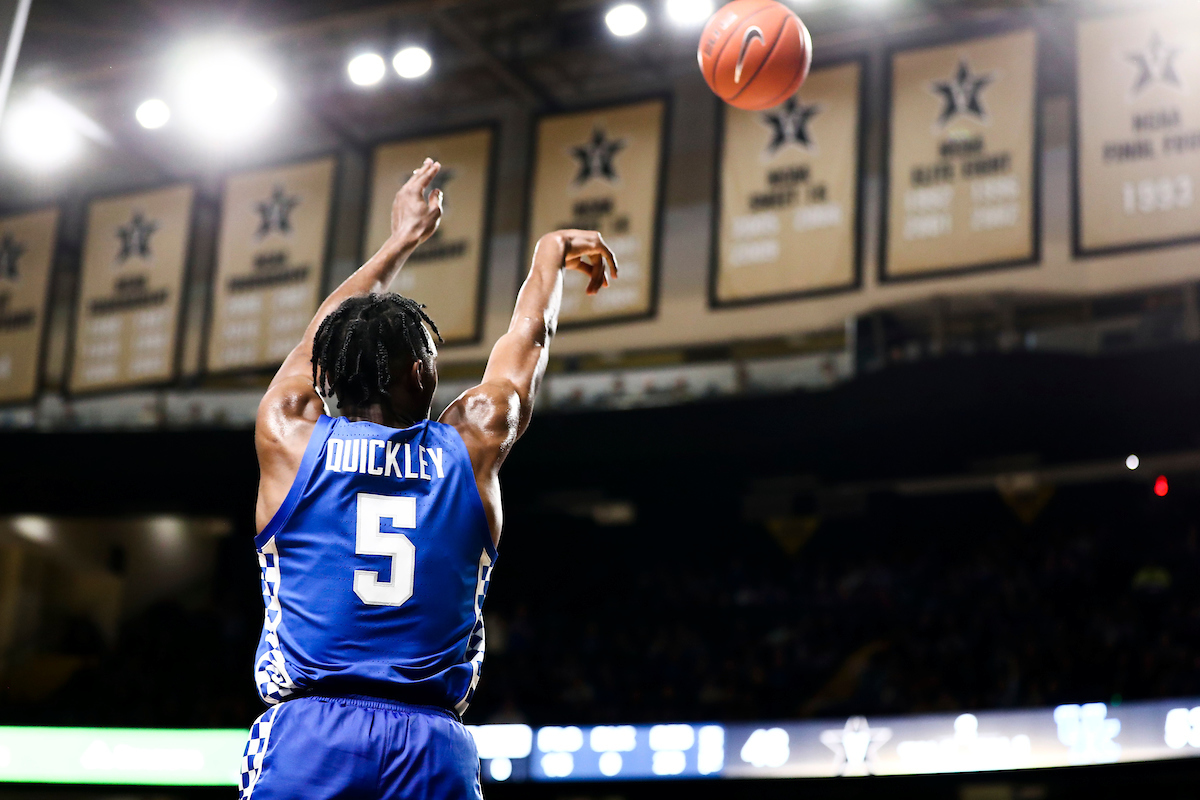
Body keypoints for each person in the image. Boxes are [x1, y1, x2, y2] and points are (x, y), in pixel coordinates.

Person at [239, 158, 617, 799]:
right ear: (422, 373)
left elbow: (314, 339)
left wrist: (401, 240)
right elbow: (528, 339)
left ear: (325, 379)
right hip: (431, 744)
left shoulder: (288, 435)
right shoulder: (471, 444)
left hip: (307, 735)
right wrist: (549, 257)